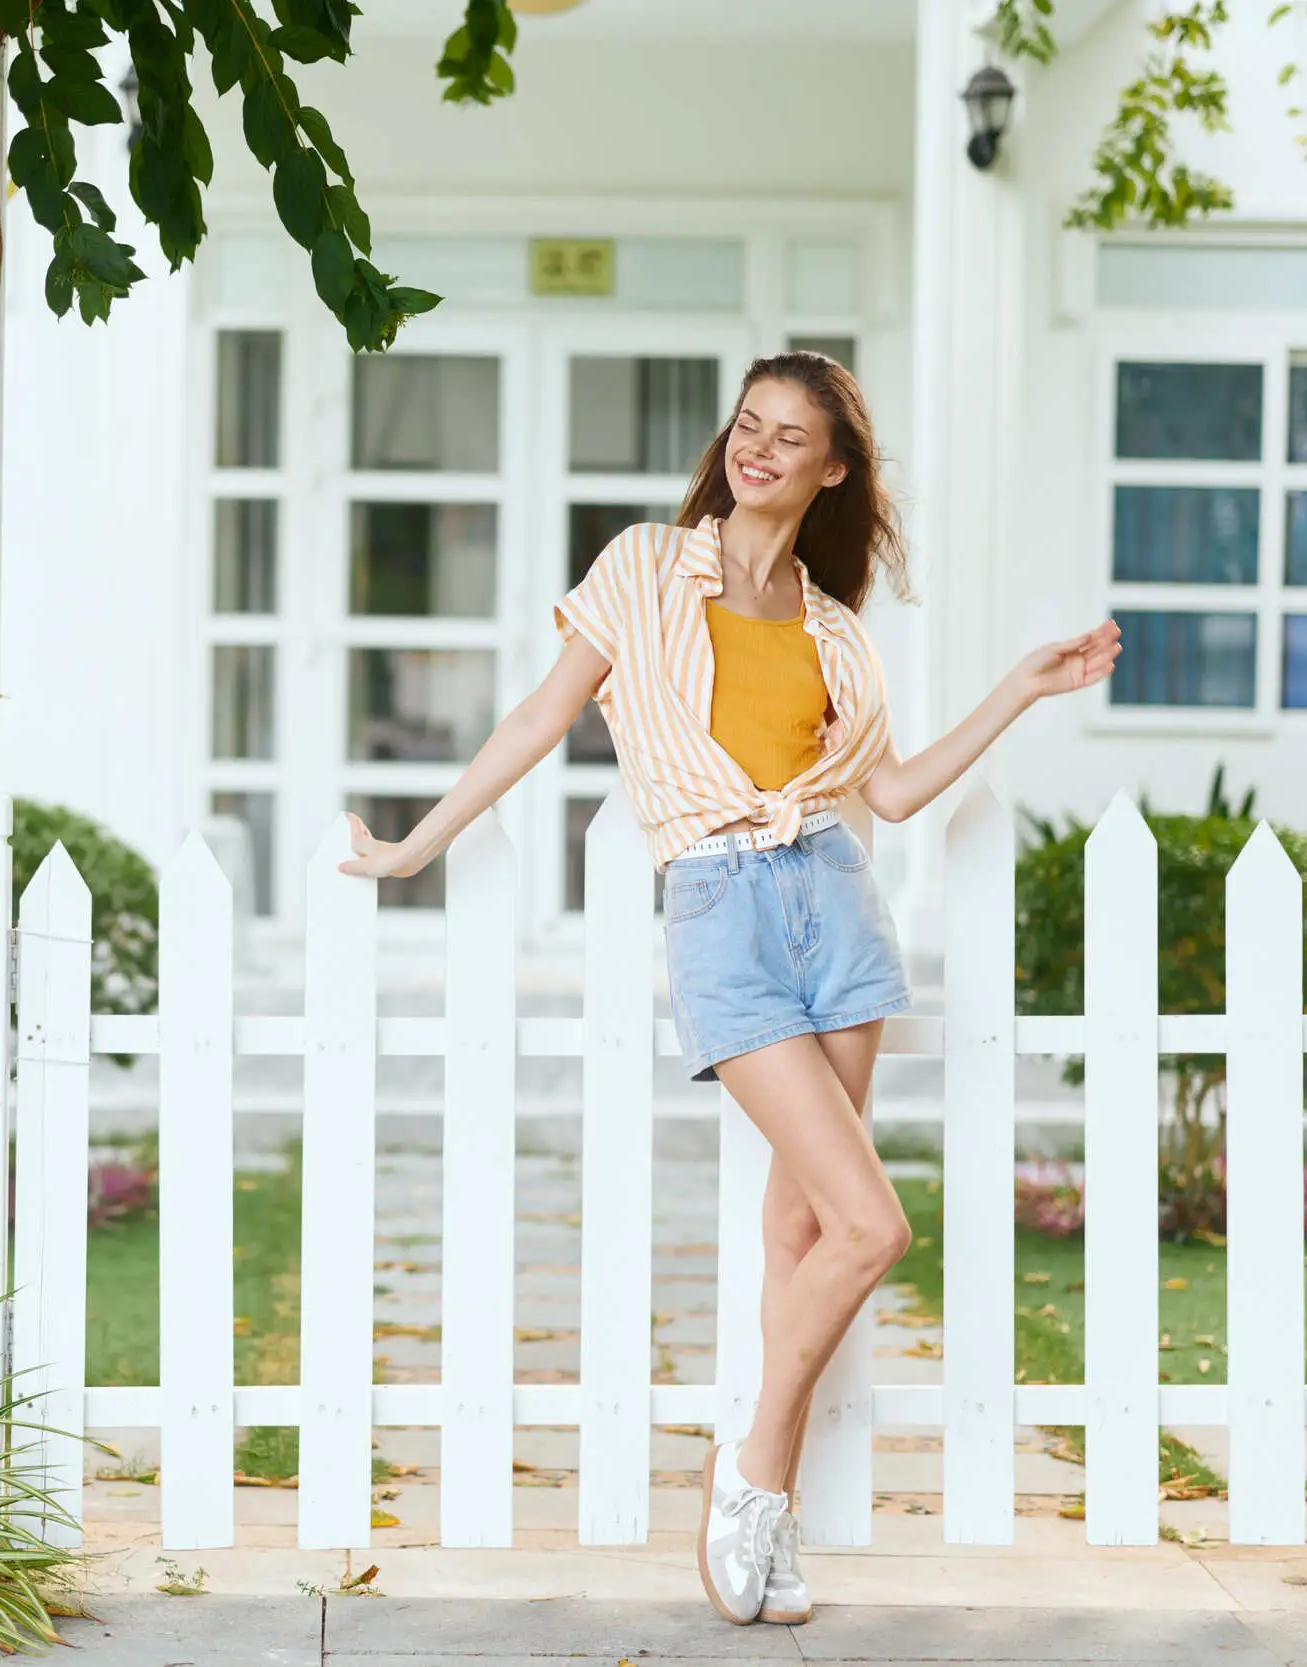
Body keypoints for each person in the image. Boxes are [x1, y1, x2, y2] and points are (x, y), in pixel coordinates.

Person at [340, 351, 1120, 1627]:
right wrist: (419, 842)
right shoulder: (645, 566)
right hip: (718, 907)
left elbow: (896, 791)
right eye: (747, 425)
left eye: (789, 434)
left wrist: (1019, 688)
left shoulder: (834, 629)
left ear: (832, 467)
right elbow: (541, 716)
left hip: (836, 906)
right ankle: (752, 1472)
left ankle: (769, 1513)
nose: (757, 448)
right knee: (872, 1226)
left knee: (805, 1231)